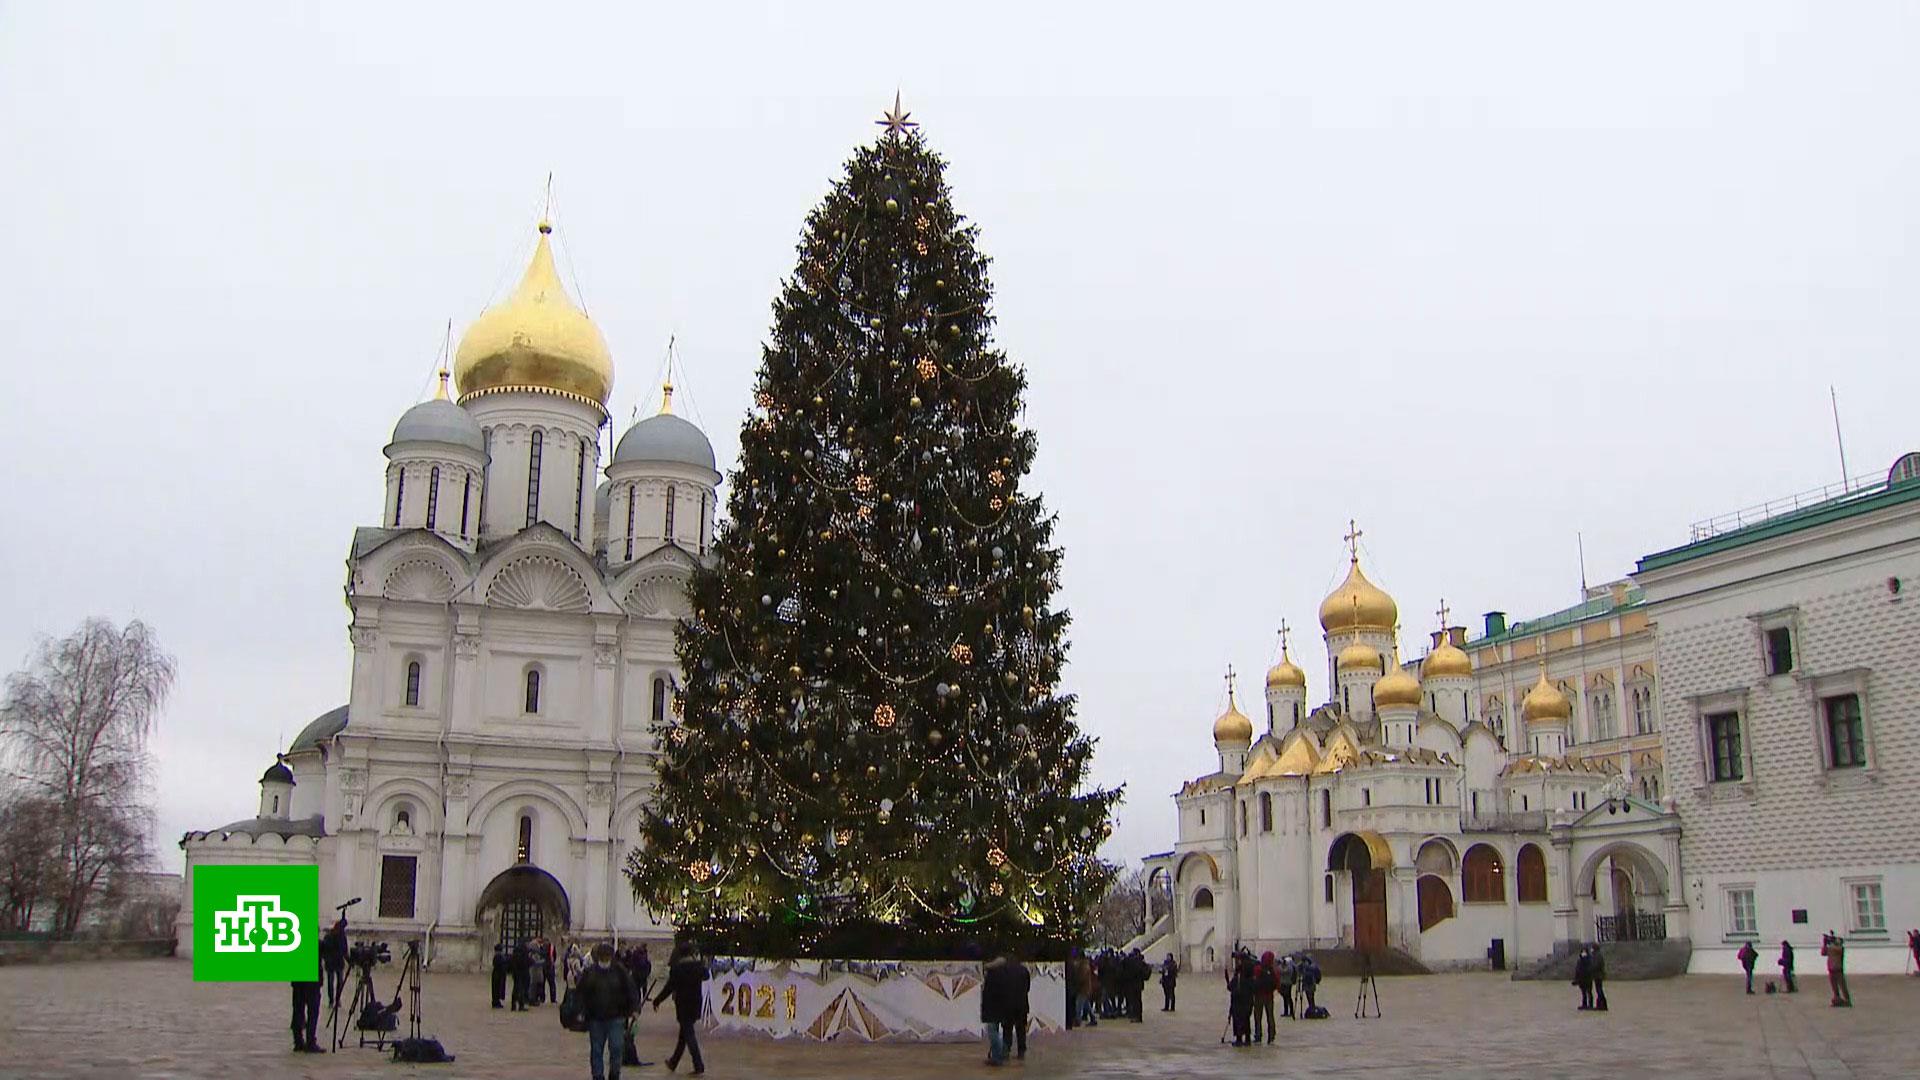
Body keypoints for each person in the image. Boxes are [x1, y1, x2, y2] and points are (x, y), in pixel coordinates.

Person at [578, 943, 639, 1080]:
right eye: (602, 958)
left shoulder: (619, 971)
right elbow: (582, 993)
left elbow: (631, 989)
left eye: (607, 958)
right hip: (596, 1017)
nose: (605, 961)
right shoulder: (590, 972)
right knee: (596, 1050)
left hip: (616, 1016)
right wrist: (582, 1011)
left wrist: (635, 1009)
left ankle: (614, 1074)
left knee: (617, 1047)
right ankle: (598, 1075)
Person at [653, 941, 710, 1075]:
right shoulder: (698, 966)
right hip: (695, 1003)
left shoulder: (677, 969)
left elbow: (669, 987)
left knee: (688, 1035)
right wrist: (700, 962)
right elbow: (706, 976)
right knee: (684, 1035)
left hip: (683, 1004)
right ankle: (673, 1062)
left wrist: (658, 1000)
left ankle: (698, 1064)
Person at [999, 950, 1032, 1061]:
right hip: (1022, 1004)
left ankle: (1006, 1050)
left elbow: (1001, 988)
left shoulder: (1003, 971)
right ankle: (1021, 1050)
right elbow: (1028, 988)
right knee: (1021, 1029)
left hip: (1007, 1005)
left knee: (1007, 1029)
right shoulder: (1024, 970)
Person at [319, 917, 348, 1012]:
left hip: (336, 962)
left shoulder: (339, 937)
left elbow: (344, 950)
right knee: (333, 982)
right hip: (332, 963)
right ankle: (333, 1000)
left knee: (337, 982)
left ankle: (336, 999)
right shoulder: (330, 937)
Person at [1227, 954, 1255, 1046]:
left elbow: (1232, 987)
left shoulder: (1239, 975)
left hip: (1239, 1001)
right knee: (1246, 1019)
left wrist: (1229, 984)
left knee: (1238, 1020)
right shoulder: (1250, 975)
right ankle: (1247, 1039)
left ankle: (1239, 1039)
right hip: (1248, 1001)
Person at [1252, 952, 1277, 1043]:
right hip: (1269, 996)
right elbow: (1276, 984)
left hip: (1259, 996)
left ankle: (1258, 1035)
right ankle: (1271, 1036)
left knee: (1258, 1017)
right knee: (1270, 1016)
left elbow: (1254, 982)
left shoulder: (1258, 969)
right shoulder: (1272, 970)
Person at [1821, 932, 1851, 1007]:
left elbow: (1836, 949)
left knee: (1842, 986)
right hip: (1831, 969)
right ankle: (1837, 999)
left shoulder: (1839, 948)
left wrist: (1831, 942)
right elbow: (1823, 953)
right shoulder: (1832, 948)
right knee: (1834, 987)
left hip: (1838, 969)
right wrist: (1824, 944)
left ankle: (1847, 1000)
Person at [509, 939, 532, 1011]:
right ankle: (521, 1005)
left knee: (515, 989)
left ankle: (513, 1005)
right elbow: (527, 962)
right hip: (523, 973)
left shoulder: (515, 953)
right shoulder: (524, 953)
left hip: (516, 973)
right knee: (521, 989)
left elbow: (511, 962)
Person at [490, 941, 509, 1008]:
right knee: (496, 988)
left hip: (499, 973)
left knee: (498, 988)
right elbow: (498, 965)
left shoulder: (499, 955)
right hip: (498, 974)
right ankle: (495, 1002)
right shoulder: (498, 956)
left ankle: (497, 1001)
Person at [1590, 944, 1609, 1011]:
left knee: (1599, 990)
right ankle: (1601, 1004)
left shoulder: (1597, 955)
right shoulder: (1596, 955)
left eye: (1592, 948)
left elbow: (1596, 965)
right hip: (1597, 975)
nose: (1591, 949)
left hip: (1598, 975)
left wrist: (1591, 967)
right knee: (1599, 990)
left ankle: (1602, 1004)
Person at [1277, 954, 1296, 1019]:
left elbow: (1282, 971)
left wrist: (1280, 965)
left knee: (1288, 997)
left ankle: (1291, 1011)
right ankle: (1286, 1011)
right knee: (1285, 998)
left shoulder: (1289, 967)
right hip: (1284, 984)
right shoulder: (1286, 966)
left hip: (1287, 984)